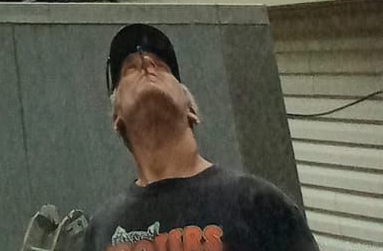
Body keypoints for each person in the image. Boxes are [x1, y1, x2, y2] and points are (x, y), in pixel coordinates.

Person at [84, 23, 319, 251]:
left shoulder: (258, 203)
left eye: (161, 67)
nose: (147, 64)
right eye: (131, 69)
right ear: (117, 117)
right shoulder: (102, 230)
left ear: (191, 110)